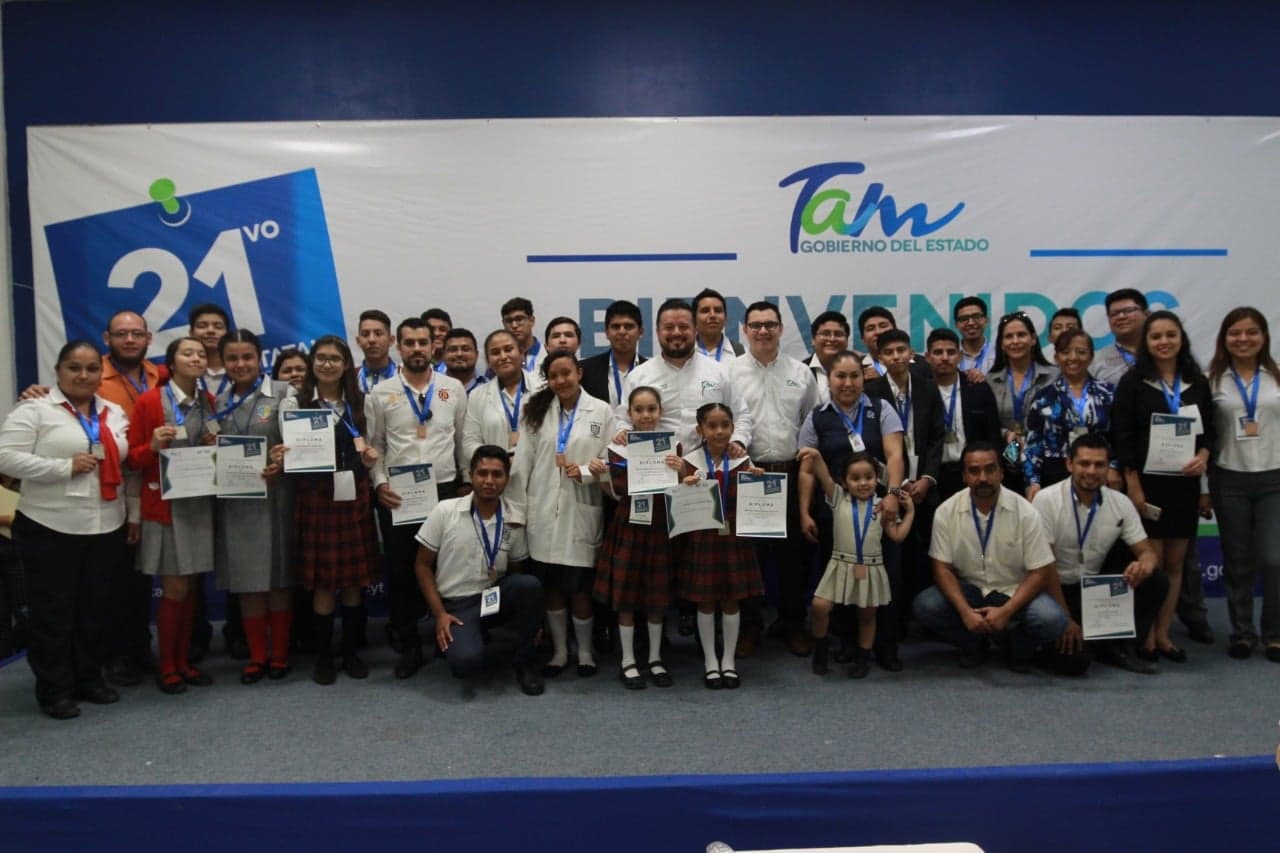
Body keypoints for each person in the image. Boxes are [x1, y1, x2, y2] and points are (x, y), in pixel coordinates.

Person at [0, 341, 129, 719]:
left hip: (106, 523)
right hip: (50, 525)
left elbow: (126, 466)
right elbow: (5, 457)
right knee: (52, 613)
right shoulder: (35, 409)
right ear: (58, 371)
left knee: (95, 609)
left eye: (91, 368)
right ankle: (54, 689)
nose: (84, 375)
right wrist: (62, 468)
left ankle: (89, 678)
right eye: (74, 368)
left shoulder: (113, 412)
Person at [367, 316, 468, 678]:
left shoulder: (453, 388)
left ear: (433, 345)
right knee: (401, 570)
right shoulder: (381, 393)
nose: (416, 349)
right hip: (401, 494)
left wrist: (466, 483)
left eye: (422, 342)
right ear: (399, 346)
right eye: (409, 342)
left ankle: (448, 638)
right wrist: (379, 484)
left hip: (444, 490)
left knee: (447, 567)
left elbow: (462, 441)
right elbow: (376, 446)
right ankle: (410, 644)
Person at [1112, 310, 1215, 663]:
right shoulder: (1134, 382)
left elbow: (1211, 432)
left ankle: (1163, 634)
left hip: (1184, 484)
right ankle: (1145, 635)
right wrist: (1133, 485)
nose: (1164, 342)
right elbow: (1123, 435)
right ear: (1147, 342)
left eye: (1171, 335)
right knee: (1152, 563)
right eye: (1156, 336)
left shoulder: (1196, 382)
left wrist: (1203, 455)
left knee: (1176, 563)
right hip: (1147, 485)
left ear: (1181, 339)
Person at [913, 441, 1067, 672]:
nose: (983, 478)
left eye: (990, 469)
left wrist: (1006, 611)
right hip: (971, 592)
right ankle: (974, 643)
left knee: (1053, 619)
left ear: (1001, 473)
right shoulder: (946, 512)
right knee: (926, 605)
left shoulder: (1026, 512)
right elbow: (941, 568)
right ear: (964, 476)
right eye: (974, 471)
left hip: (1013, 590)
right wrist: (965, 612)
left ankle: (1015, 646)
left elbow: (1039, 572)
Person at [280, 336, 379, 684]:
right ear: (312, 363)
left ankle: (350, 653)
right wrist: (281, 455)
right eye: (321, 358)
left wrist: (371, 457)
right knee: (323, 584)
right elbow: (287, 451)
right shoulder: (296, 402)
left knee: (352, 583)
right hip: (316, 497)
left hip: (353, 495)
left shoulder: (361, 402)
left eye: (334, 358)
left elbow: (373, 444)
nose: (327, 364)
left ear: (346, 364)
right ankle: (324, 657)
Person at [797, 349, 905, 667]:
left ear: (863, 377)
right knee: (841, 577)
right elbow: (807, 470)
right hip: (835, 511)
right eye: (840, 376)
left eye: (854, 375)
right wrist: (804, 511)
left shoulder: (881, 408)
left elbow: (895, 455)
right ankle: (847, 643)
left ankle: (886, 645)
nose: (847, 382)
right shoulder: (817, 416)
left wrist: (893, 494)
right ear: (828, 379)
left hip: (879, 510)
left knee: (886, 576)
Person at [510, 350, 611, 677]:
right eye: (553, 376)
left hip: (580, 508)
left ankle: (585, 652)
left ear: (579, 373)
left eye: (566, 373)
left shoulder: (601, 411)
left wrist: (588, 471)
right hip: (542, 510)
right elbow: (521, 465)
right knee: (551, 588)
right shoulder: (536, 411)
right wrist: (518, 512)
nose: (560, 380)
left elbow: (610, 460)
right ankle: (559, 652)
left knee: (580, 590)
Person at [413, 445, 545, 696]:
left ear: (506, 478)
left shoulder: (513, 518)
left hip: (492, 599)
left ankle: (526, 663)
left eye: (497, 474)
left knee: (528, 585)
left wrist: (532, 621)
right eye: (482, 473)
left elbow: (516, 574)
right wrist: (440, 613)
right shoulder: (445, 511)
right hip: (457, 606)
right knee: (466, 663)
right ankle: (461, 635)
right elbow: (422, 565)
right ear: (471, 476)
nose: (489, 481)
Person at [126, 336, 217, 694]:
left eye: (201, 354)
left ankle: (184, 661)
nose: (195, 358)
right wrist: (152, 446)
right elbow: (133, 459)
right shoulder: (151, 401)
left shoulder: (207, 402)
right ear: (171, 361)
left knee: (191, 585)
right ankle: (167, 666)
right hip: (165, 506)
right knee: (175, 587)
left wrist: (213, 445)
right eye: (187, 353)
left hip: (198, 502)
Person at [728, 301, 820, 657]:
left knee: (792, 556)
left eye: (770, 324)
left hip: (791, 472)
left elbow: (811, 421)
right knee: (748, 557)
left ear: (781, 328)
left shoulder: (801, 373)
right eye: (755, 325)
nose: (763, 331)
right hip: (748, 474)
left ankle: (792, 623)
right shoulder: (729, 372)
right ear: (745, 330)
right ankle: (750, 626)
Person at [1032, 434, 1167, 675]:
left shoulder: (1120, 502)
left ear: (1108, 467)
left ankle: (1117, 644)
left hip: (1094, 589)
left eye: (1099, 465)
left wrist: (1145, 564)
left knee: (1155, 579)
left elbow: (1147, 551)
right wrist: (1065, 619)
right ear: (1070, 464)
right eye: (1084, 463)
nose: (1091, 471)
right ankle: (1067, 642)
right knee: (1075, 664)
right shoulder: (1047, 500)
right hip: (1055, 589)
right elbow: (1045, 569)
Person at [211, 330, 294, 683]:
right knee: (249, 582)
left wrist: (283, 460)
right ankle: (258, 656)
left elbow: (301, 444)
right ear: (224, 362)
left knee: (278, 579)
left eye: (247, 357)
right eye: (232, 358)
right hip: (238, 504)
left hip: (276, 498)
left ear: (260, 358)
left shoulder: (283, 393)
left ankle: (280, 655)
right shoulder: (218, 401)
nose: (240, 364)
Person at [593, 386, 684, 689]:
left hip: (659, 525)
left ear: (660, 412)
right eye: (639, 410)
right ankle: (628, 660)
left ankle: (655, 658)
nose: (646, 415)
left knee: (657, 597)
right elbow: (614, 492)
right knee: (627, 597)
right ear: (629, 413)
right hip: (629, 523)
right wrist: (602, 473)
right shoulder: (619, 447)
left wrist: (681, 470)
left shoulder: (673, 446)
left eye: (651, 409)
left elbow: (682, 489)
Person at [1206, 307, 1280, 662]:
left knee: (1274, 559)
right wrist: (1203, 487)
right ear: (1224, 338)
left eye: (1251, 332)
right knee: (1237, 559)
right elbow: (1205, 438)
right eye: (1235, 333)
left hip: (1274, 478)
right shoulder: (1212, 380)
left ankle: (1274, 633)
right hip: (1229, 477)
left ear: (1264, 337)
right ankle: (1243, 632)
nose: (1243, 339)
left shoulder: (1276, 377)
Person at [799, 449, 914, 678]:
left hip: (870, 568)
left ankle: (862, 659)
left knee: (867, 615)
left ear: (877, 479)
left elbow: (897, 536)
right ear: (844, 482)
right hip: (839, 565)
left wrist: (909, 512)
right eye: (855, 478)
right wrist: (816, 455)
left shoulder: (883, 506)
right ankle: (821, 651)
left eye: (869, 477)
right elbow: (823, 475)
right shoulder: (838, 497)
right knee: (820, 606)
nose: (863, 483)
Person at [677, 403, 764, 689]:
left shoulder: (743, 461)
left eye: (725, 425)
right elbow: (675, 504)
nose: (719, 431)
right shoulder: (689, 462)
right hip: (702, 540)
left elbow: (754, 501)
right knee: (705, 601)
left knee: (731, 600)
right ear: (700, 430)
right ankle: (710, 661)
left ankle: (728, 660)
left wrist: (758, 482)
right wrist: (683, 484)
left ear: (733, 428)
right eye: (712, 426)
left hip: (734, 539)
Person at [866, 329, 946, 630]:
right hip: (887, 485)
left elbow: (937, 437)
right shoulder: (871, 391)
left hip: (923, 484)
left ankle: (924, 620)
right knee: (891, 555)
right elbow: (872, 443)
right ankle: (893, 621)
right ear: (880, 357)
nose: (896, 357)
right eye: (889, 352)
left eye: (901, 350)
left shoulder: (928, 387)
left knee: (924, 552)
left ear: (911, 352)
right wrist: (893, 484)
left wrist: (926, 478)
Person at [616, 298, 752, 457]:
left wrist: (737, 442)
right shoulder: (638, 376)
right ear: (658, 332)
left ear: (696, 330)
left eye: (683, 327)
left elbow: (740, 415)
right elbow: (624, 419)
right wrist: (623, 431)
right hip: (656, 465)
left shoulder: (719, 372)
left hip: (710, 465)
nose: (676, 333)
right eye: (669, 327)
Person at [186, 302, 238, 660]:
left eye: (217, 326)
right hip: (192, 478)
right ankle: (196, 634)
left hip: (236, 475)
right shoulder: (180, 372)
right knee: (192, 562)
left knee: (237, 554)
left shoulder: (241, 369)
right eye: (202, 325)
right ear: (191, 332)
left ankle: (237, 631)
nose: (209, 331)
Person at [1023, 328, 1118, 499]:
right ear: (1056, 357)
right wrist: (1033, 481)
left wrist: (1114, 467)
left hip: (1097, 470)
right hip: (1054, 472)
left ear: (1091, 357)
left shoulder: (1108, 393)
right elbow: (1033, 443)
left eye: (1081, 352)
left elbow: (1119, 436)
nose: (1073, 357)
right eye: (1065, 352)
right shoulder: (1044, 397)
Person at [923, 329, 1003, 501]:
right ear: (927, 357)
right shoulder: (919, 392)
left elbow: (993, 434)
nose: (945, 357)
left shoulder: (978, 388)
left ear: (959, 356)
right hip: (933, 476)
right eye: (938, 352)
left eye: (951, 352)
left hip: (973, 472)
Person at [987, 311, 1057, 496]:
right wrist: (1006, 434)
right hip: (1006, 461)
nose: (1015, 341)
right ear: (1001, 344)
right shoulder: (990, 381)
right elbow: (986, 423)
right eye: (1009, 336)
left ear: (1033, 339)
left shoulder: (1054, 376)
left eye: (1021, 335)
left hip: (1045, 462)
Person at [464, 330, 537, 462]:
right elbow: (470, 442)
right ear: (488, 361)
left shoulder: (543, 388)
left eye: (508, 349)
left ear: (521, 353)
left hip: (537, 469)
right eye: (495, 352)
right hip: (495, 471)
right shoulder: (477, 395)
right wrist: (496, 460)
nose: (503, 356)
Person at [580, 300, 646, 409]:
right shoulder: (585, 370)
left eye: (628, 326)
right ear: (606, 333)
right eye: (616, 326)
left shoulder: (652, 370)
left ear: (640, 332)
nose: (622, 332)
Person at [1092, 289, 1148, 386]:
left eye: (1128, 311)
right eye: (1114, 314)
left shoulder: (1163, 351)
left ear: (1146, 314)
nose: (1121, 317)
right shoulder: (1096, 360)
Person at [805, 310, 856, 404]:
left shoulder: (861, 371)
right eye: (825, 334)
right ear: (813, 340)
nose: (832, 339)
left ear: (847, 341)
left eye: (838, 334)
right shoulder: (799, 371)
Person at [692, 288, 743, 362]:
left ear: (725, 318)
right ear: (694, 319)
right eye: (705, 311)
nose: (712, 315)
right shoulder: (684, 353)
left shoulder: (741, 353)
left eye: (718, 311)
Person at [355, 309, 398, 393]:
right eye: (365, 334)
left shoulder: (404, 376)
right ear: (358, 341)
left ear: (391, 340)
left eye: (378, 334)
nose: (372, 340)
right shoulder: (350, 377)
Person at [953, 296, 995, 380]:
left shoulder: (999, 353)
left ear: (986, 320)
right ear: (956, 325)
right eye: (964, 319)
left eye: (976, 317)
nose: (971, 323)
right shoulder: (950, 355)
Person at [501, 297, 545, 375]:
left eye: (519, 319)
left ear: (532, 321)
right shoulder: (501, 359)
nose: (514, 325)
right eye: (509, 321)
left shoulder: (547, 354)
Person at [441, 328, 486, 394]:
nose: (459, 354)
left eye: (466, 349)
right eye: (453, 350)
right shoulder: (433, 385)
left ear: (476, 354)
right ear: (443, 355)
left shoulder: (490, 387)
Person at [422, 307, 452, 373]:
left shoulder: (460, 366)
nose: (436, 333)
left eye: (442, 329)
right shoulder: (410, 367)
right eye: (431, 329)